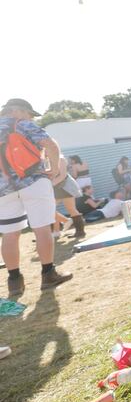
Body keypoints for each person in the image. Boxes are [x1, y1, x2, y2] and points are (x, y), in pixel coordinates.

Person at [0, 98, 73, 297]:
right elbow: (50, 144)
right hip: (33, 181)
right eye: (29, 114)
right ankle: (48, 274)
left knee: (10, 234)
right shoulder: (22, 124)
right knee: (42, 229)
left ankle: (14, 281)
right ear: (17, 111)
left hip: (3, 190)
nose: (30, 118)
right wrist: (55, 168)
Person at [51, 156, 86, 239]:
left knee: (71, 209)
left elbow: (63, 175)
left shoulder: (61, 159)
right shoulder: (47, 160)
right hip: (56, 187)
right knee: (49, 209)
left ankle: (80, 232)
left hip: (66, 186)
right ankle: (57, 230)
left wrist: (50, 184)